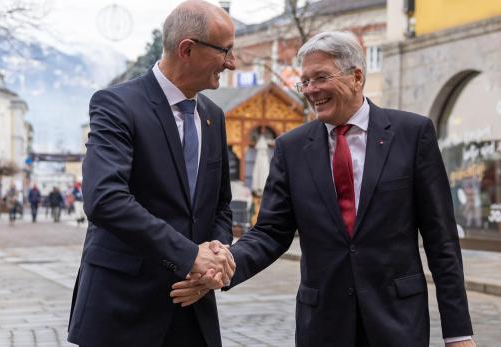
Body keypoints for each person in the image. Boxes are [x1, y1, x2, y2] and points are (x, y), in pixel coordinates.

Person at [173, 31, 476, 346]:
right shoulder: (291, 148)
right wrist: (224, 268)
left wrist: (459, 333)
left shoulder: (412, 134)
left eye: (320, 78)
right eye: (305, 81)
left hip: (397, 322)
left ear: (356, 77)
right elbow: (270, 233)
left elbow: (442, 241)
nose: (311, 90)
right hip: (323, 325)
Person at [67, 1, 237, 346]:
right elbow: (105, 200)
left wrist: (215, 260)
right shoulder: (116, 104)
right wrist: (189, 256)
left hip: (193, 309)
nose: (232, 62)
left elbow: (220, 205)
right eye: (226, 51)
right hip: (124, 310)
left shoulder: (213, 116)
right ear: (187, 49)